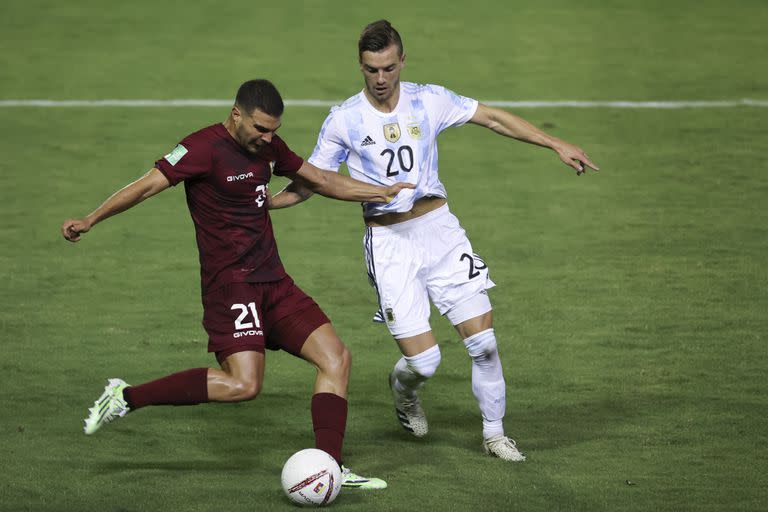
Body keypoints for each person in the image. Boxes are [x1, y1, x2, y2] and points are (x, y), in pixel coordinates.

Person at [270, 21, 599, 462]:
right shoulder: (345, 120)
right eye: (371, 70)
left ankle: (494, 433)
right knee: (424, 363)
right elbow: (313, 181)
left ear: (402, 61)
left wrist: (554, 142)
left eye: (388, 67)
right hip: (389, 245)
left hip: (440, 232)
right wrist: (264, 204)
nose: (381, 79)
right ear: (361, 67)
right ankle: (404, 392)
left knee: (483, 343)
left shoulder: (430, 100)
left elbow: (493, 118)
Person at [61, 79, 415, 489]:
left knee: (336, 358)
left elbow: (319, 179)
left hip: (275, 282)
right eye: (261, 129)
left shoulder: (267, 147)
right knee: (243, 385)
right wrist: (90, 219)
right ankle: (125, 397)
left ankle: (331, 466)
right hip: (231, 287)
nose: (268, 139)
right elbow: (145, 187)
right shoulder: (201, 149)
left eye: (274, 131)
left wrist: (381, 192)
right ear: (237, 115)